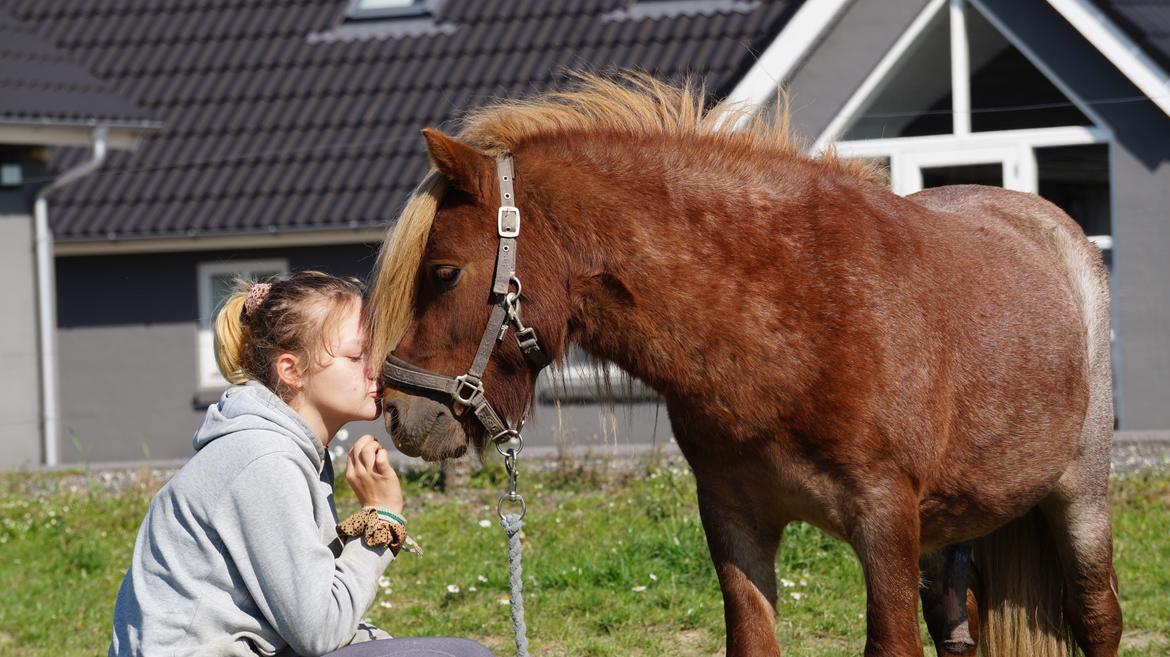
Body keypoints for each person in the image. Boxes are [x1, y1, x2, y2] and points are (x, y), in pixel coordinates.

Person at [108, 271, 495, 657]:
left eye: (376, 351)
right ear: (291, 370)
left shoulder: (287, 450)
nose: (378, 367)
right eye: (356, 355)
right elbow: (319, 632)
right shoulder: (263, 459)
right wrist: (382, 519)